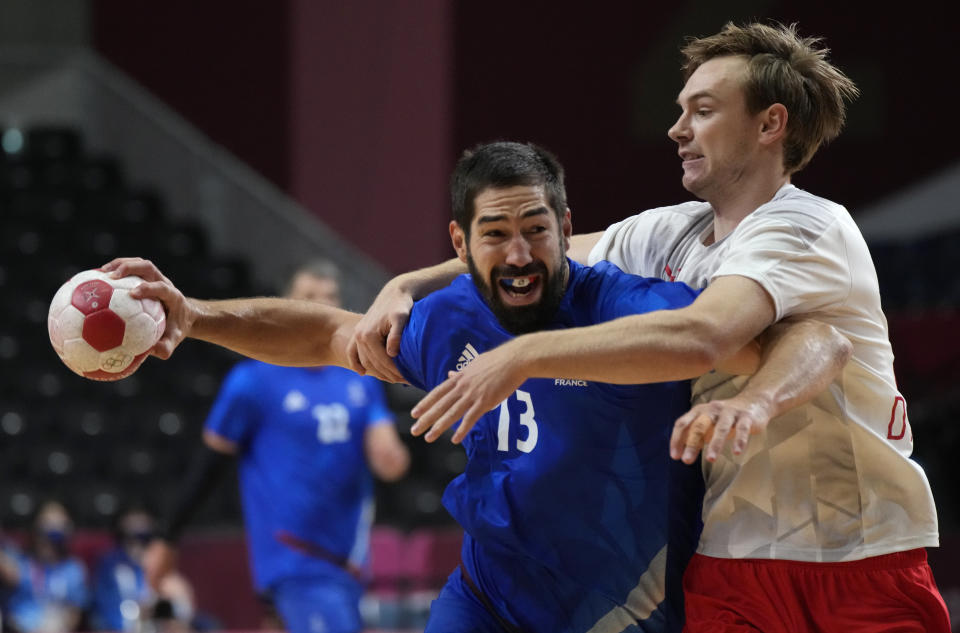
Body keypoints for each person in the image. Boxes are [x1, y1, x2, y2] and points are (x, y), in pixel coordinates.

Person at [101, 141, 849, 632]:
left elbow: (816, 337)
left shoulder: (632, 305)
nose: (519, 252)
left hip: (619, 610)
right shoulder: (449, 318)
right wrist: (195, 315)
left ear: (566, 226)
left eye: (536, 228)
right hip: (486, 596)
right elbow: (326, 333)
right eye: (495, 233)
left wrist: (756, 400)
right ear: (459, 243)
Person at [350, 21, 950, 632]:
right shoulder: (674, 231)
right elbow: (539, 246)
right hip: (728, 559)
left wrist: (524, 355)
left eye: (703, 109)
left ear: (770, 125)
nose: (678, 128)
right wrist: (407, 283)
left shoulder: (805, 226)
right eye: (679, 109)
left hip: (854, 551)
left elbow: (703, 337)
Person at [140, 260, 411, 633]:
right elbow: (208, 466)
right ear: (288, 307)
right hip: (294, 560)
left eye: (329, 299)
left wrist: (391, 458)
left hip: (347, 562)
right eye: (309, 299)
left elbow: (386, 450)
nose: (321, 307)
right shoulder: (252, 381)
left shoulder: (361, 376)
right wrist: (166, 538)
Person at [90, 506, 197, 633]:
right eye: (131, 537)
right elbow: (106, 611)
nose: (139, 548)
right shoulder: (110, 566)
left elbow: (182, 616)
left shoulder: (168, 577)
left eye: (145, 538)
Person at [0, 501, 89, 633]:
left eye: (56, 527)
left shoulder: (73, 569)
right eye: (45, 525)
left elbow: (75, 613)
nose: (49, 536)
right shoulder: (21, 562)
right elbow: (9, 571)